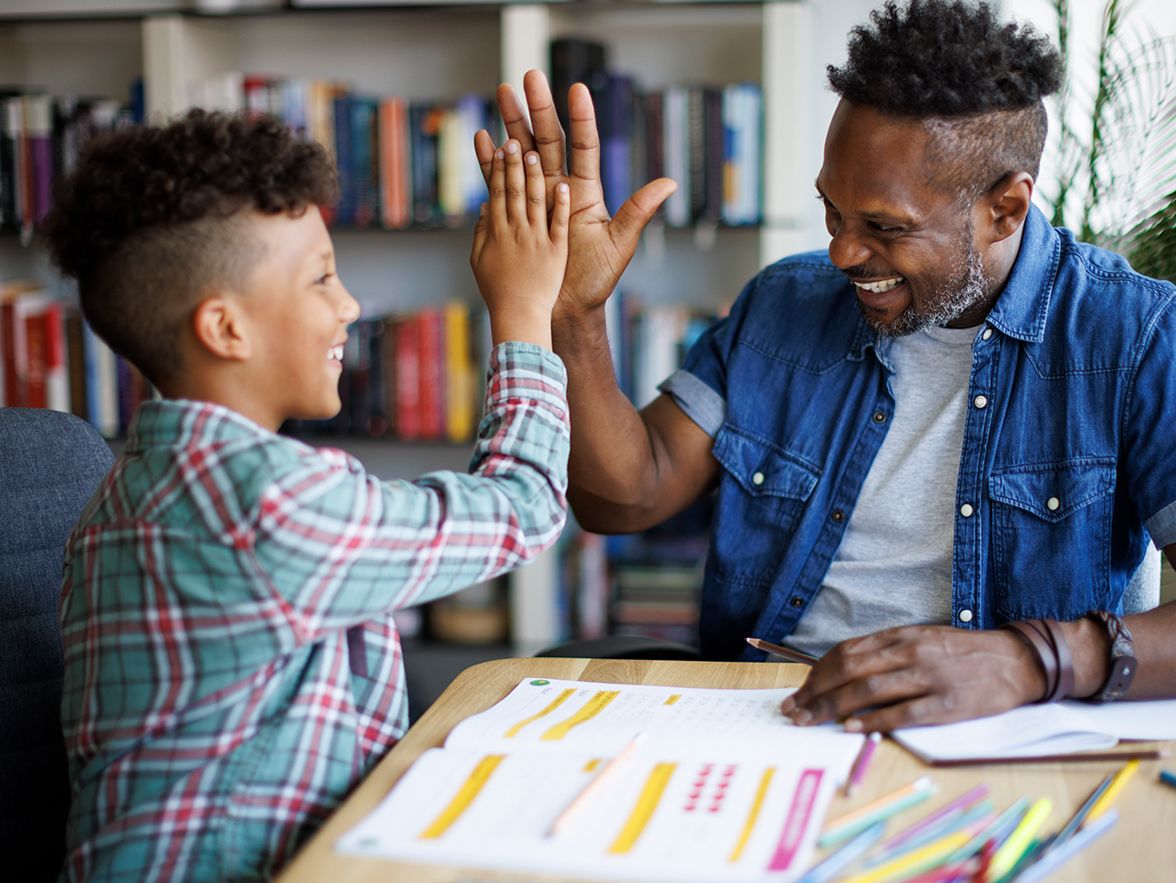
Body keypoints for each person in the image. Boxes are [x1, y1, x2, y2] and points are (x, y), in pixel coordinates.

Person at [474, 0, 1176, 732]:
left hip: (1001, 737)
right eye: (833, 212)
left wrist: (1026, 660)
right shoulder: (786, 302)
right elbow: (622, 498)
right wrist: (573, 315)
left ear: (1006, 207)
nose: (842, 252)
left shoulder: (1133, 334)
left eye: (883, 227)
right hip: (770, 720)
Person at [43, 110, 571, 880]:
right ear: (225, 328)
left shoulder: (128, 491)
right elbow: (524, 505)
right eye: (322, 276)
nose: (349, 305)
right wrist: (524, 315)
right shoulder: (265, 504)